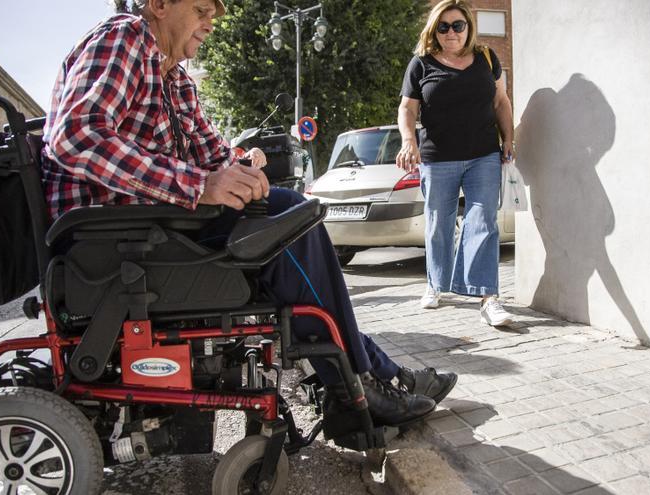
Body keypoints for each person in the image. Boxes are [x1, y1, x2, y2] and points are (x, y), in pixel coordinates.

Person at [40, 0, 456, 426]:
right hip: (109, 239)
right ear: (160, 5)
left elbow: (213, 155)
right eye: (201, 9)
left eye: (214, 14)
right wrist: (201, 185)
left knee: (287, 217)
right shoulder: (123, 40)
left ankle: (371, 376)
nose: (211, 23)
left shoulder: (175, 79)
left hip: (157, 227)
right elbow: (75, 135)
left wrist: (240, 168)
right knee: (287, 224)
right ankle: (361, 386)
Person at [396, 0, 516, 327]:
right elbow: (407, 109)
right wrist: (409, 141)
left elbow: (501, 101)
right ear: (435, 30)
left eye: (458, 25)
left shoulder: (486, 58)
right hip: (438, 158)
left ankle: (488, 297)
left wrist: (508, 138)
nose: (451, 32)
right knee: (439, 224)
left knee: (483, 221)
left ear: (468, 28)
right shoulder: (420, 64)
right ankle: (436, 284)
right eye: (444, 26)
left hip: (483, 154)